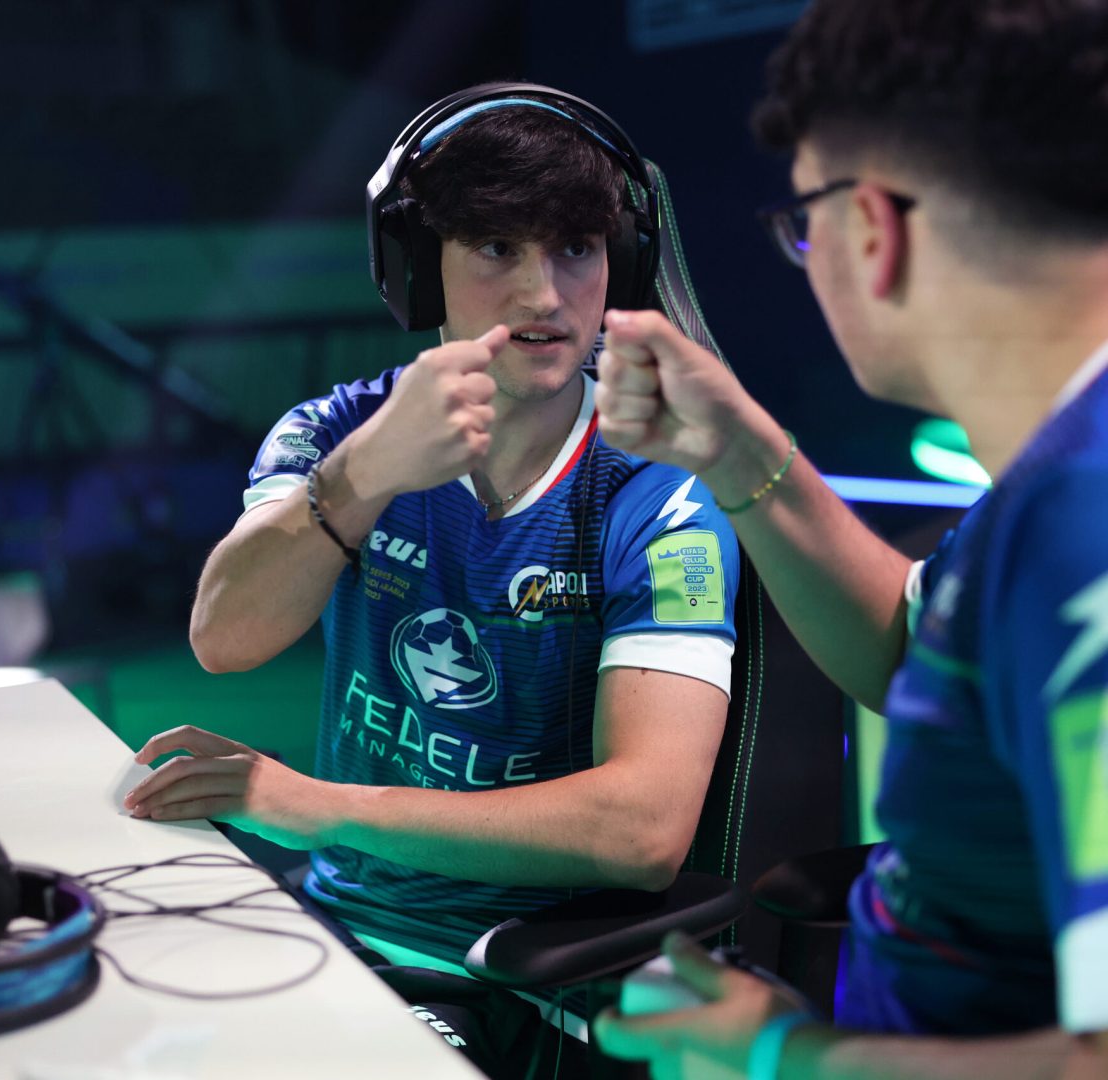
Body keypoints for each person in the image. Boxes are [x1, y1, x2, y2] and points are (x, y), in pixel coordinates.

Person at [122, 85, 739, 988]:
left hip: (525, 976)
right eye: (497, 247)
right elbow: (226, 639)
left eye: (577, 248)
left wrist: (318, 807)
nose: (544, 293)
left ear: (624, 262)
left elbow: (642, 830)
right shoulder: (336, 434)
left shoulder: (664, 484)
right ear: (416, 265)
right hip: (339, 933)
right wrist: (364, 476)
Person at [591, 1, 1108, 1077]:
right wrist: (739, 455)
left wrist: (787, 1050)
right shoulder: (1051, 490)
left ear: (873, 232)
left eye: (809, 225)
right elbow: (919, 650)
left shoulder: (1080, 521)